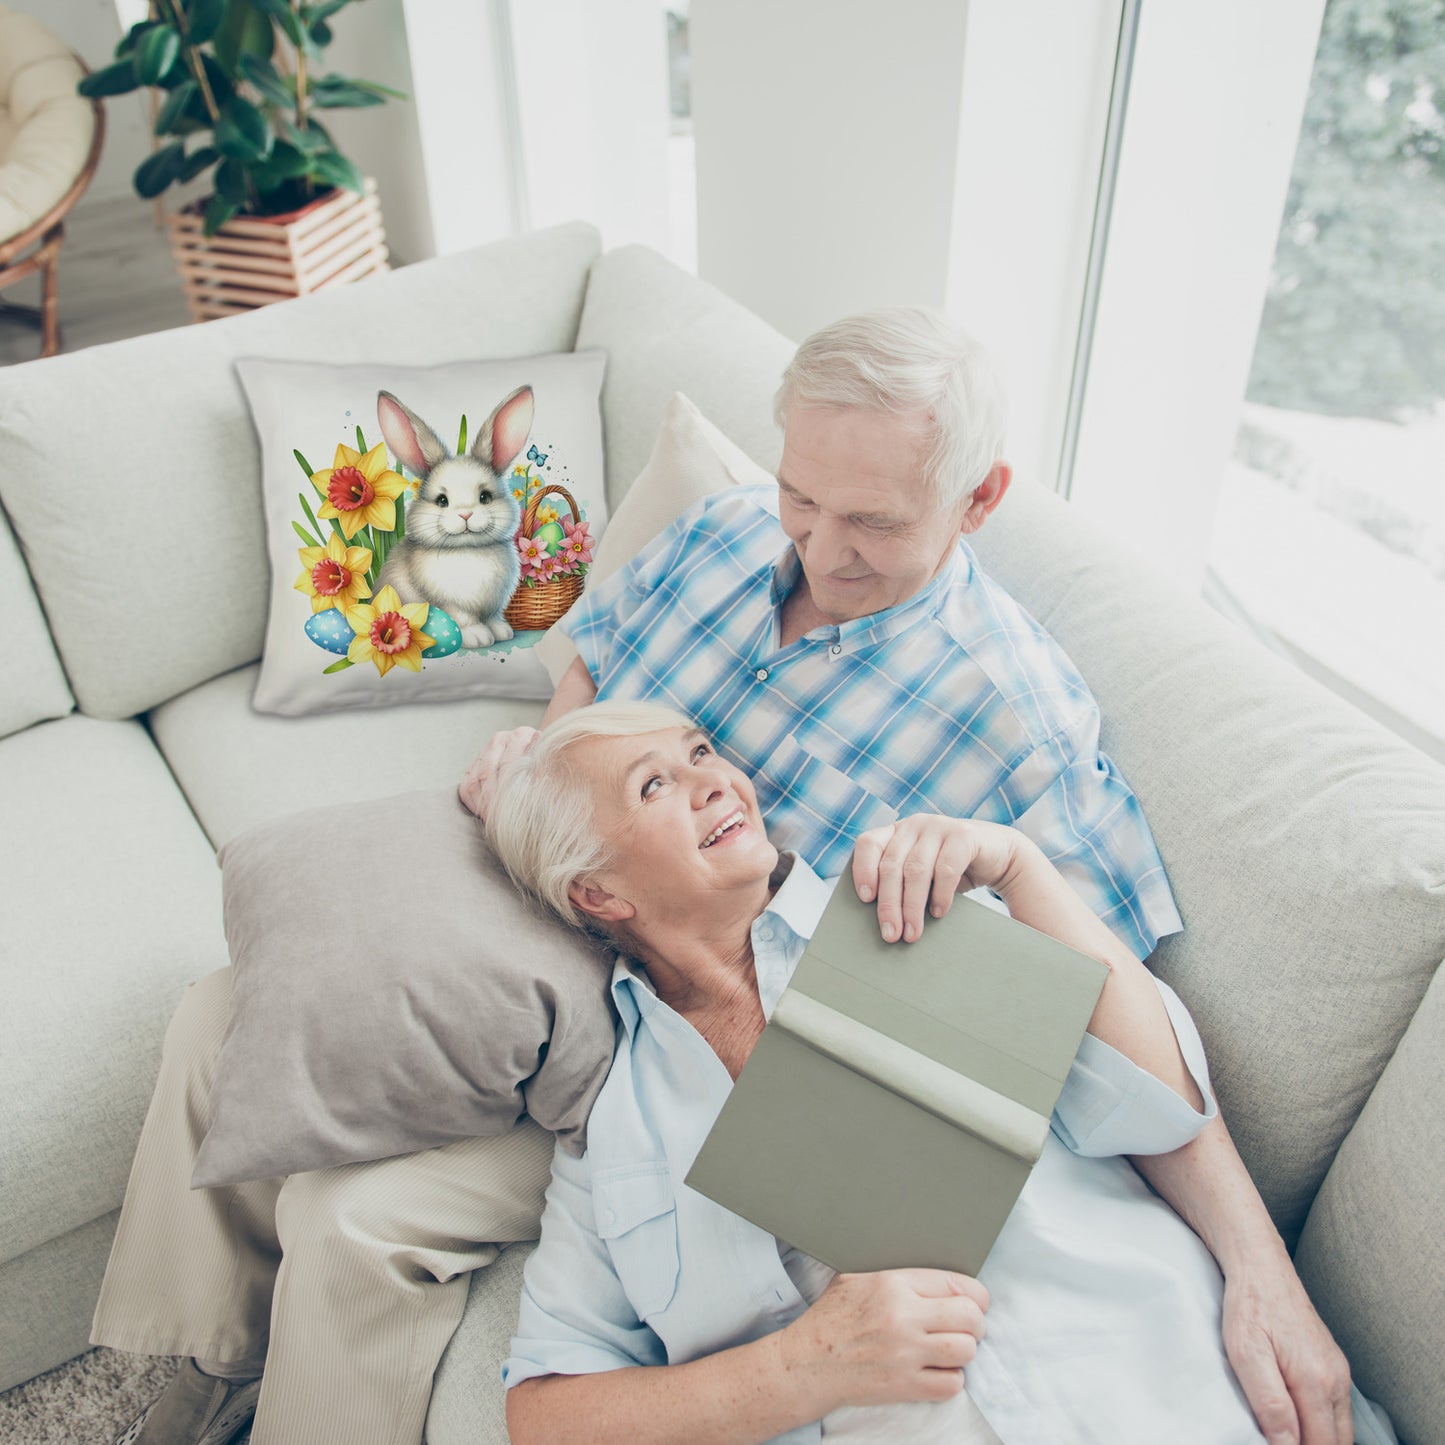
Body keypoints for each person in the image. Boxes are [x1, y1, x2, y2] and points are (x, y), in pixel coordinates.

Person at [94, 309, 1349, 1445]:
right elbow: (593, 664)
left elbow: (1103, 1019)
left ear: (976, 501)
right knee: (229, 1007)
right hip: (580, 886)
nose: (819, 545)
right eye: (804, 495)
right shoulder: (725, 532)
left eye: (871, 520)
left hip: (694, 1012)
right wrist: (546, 765)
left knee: (355, 1218)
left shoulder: (1017, 725)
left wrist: (1259, 1266)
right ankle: (193, 1362)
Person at [487, 701, 1387, 1445]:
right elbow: (544, 1414)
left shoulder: (909, 907)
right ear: (597, 893)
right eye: (655, 784)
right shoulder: (614, 1132)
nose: (715, 779)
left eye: (700, 752)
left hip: (1174, 1394)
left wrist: (1020, 868)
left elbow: (1158, 1106)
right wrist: (802, 1367)